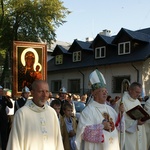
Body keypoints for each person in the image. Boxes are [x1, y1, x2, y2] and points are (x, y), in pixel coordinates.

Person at [6, 80, 64, 150]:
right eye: (40, 91)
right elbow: (15, 143)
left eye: (47, 91)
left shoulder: (52, 113)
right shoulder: (22, 114)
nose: (44, 95)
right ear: (32, 93)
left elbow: (58, 140)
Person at [75, 69, 125, 150]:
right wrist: (102, 126)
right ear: (94, 93)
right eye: (102, 91)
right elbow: (84, 134)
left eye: (106, 91)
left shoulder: (111, 109)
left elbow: (119, 128)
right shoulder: (87, 111)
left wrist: (121, 115)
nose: (105, 93)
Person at [116, 82, 147, 150]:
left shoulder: (137, 101)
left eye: (139, 92)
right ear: (130, 90)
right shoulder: (122, 102)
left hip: (139, 131)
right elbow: (120, 121)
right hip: (128, 135)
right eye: (136, 92)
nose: (138, 94)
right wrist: (136, 123)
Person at [0, 86, 13, 150]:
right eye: (0, 91)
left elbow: (10, 106)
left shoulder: (4, 98)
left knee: (4, 135)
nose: (1, 92)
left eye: (2, 91)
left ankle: (4, 148)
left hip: (3, 119)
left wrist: (8, 99)